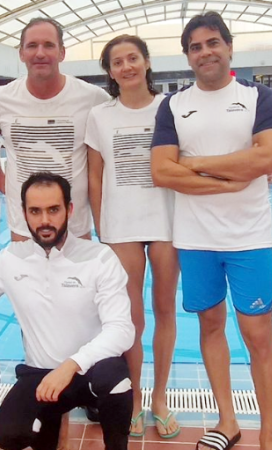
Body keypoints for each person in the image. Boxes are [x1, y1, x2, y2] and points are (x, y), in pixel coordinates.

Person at [151, 12, 272, 450]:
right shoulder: (173, 105)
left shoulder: (258, 97)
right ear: (188, 56)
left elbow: (265, 160)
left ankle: (269, 436)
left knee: (258, 335)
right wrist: (230, 177)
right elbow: (161, 171)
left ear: (229, 47)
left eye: (212, 43)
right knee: (210, 326)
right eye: (195, 47)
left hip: (249, 237)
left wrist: (192, 164)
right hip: (196, 240)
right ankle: (228, 422)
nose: (205, 52)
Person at [0, 172, 135, 450]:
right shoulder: (12, 258)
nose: (45, 220)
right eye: (35, 211)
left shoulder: (99, 258)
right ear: (24, 213)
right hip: (40, 374)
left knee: (116, 381)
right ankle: (49, 433)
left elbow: (121, 330)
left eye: (53, 210)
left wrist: (71, 365)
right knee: (10, 434)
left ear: (69, 210)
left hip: (91, 371)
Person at [85, 35, 179, 440]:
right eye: (117, 62)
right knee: (131, 318)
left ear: (146, 62)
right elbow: (95, 175)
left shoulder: (170, 107)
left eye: (133, 58)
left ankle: (160, 397)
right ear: (110, 71)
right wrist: (101, 226)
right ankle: (136, 396)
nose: (126, 67)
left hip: (166, 221)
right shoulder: (100, 115)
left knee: (165, 310)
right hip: (120, 225)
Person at [0, 17, 110, 242]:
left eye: (49, 45)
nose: (40, 53)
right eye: (32, 46)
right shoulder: (1, 99)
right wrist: (1, 180)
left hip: (74, 226)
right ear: (21, 53)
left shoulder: (92, 97)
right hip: (23, 227)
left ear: (62, 52)